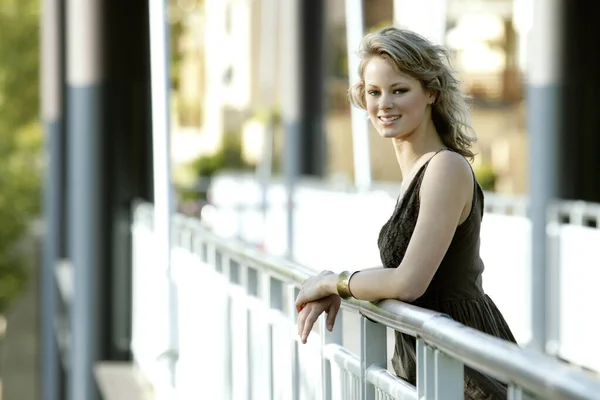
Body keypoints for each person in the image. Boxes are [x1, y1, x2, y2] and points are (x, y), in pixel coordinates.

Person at [294, 26, 517, 399]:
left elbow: (410, 282)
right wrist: (347, 286)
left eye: (399, 90)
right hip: (433, 359)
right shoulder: (418, 171)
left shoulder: (444, 167)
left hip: (462, 364)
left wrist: (336, 283)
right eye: (373, 92)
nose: (384, 105)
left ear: (431, 92)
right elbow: (415, 269)